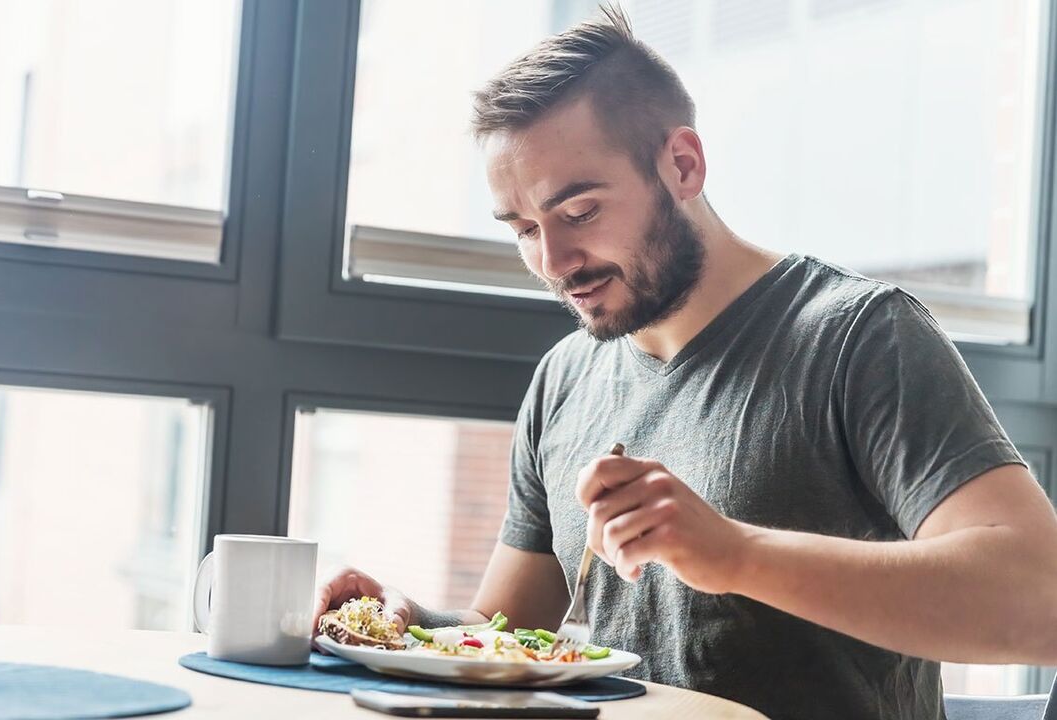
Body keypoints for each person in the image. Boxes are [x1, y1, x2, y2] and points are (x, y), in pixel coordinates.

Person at [313, 7, 1057, 719]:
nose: (554, 262)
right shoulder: (565, 379)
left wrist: (734, 553)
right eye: (524, 229)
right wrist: (409, 627)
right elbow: (505, 631)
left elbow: (1039, 602)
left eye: (579, 213)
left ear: (682, 164)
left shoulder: (860, 337)